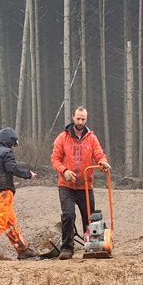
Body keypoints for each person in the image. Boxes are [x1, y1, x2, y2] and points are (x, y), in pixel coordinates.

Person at [51, 106, 110, 259]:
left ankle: (92, 246)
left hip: (85, 185)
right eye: (78, 118)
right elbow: (55, 159)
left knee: (89, 217)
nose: (80, 121)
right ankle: (67, 248)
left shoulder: (91, 138)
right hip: (67, 186)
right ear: (73, 117)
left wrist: (103, 162)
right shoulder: (62, 137)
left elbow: (98, 153)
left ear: (86, 119)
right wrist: (64, 171)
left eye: (83, 119)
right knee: (68, 215)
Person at [0, 127, 39, 258]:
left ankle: (22, 249)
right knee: (1, 221)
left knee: (11, 222)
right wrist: (28, 174)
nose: (13, 147)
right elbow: (12, 168)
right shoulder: (7, 152)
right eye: (13, 143)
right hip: (3, 191)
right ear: (10, 141)